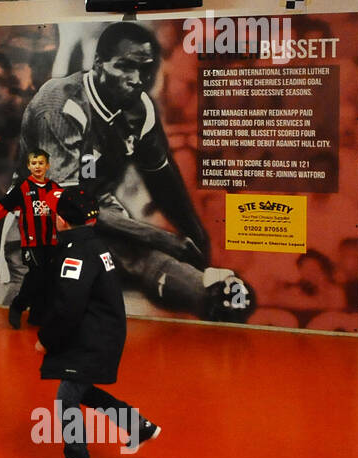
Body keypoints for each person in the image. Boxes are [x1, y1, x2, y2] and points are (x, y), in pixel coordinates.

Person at [18, 20, 255, 323]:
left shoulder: (139, 107)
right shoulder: (61, 103)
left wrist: (195, 235)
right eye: (126, 67)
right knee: (29, 305)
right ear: (99, 63)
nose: (136, 79)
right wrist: (162, 238)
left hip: (95, 202)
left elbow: (161, 175)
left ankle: (212, 296)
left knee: (138, 253)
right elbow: (64, 205)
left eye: (145, 69)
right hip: (39, 208)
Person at [35, 187, 160, 458]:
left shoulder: (76, 253)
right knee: (82, 389)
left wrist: (46, 339)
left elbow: (68, 306)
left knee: (66, 400)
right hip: (102, 334)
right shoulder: (95, 245)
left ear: (61, 221)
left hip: (91, 338)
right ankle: (137, 425)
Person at [0, 149, 63, 328]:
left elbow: (64, 211)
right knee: (34, 275)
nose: (38, 167)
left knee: (46, 278)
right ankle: (17, 306)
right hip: (29, 241)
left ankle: (36, 315)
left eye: (41, 163)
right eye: (34, 163)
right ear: (28, 166)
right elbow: (1, 207)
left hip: (49, 242)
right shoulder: (23, 187)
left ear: (47, 165)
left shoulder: (55, 188)